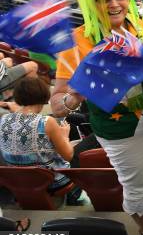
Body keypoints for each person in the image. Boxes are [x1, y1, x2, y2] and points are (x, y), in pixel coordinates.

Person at [51, 0, 143, 235]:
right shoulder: (77, 42)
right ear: (92, 4)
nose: (115, 4)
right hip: (119, 132)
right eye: (104, 0)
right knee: (135, 186)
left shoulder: (139, 28)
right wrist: (76, 95)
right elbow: (56, 104)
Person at [0, 77, 82, 205]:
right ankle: (72, 197)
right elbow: (68, 155)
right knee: (79, 153)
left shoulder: (4, 119)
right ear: (43, 95)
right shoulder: (47, 122)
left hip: (17, 180)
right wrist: (64, 135)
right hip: (49, 182)